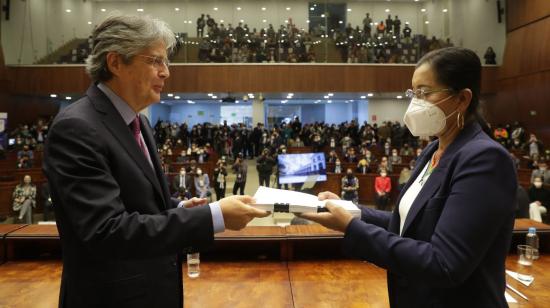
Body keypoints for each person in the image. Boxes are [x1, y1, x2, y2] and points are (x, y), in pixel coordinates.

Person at [43, 14, 268, 308]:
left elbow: (138, 202)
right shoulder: (76, 128)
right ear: (115, 63)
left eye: (166, 62)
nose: (166, 73)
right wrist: (213, 217)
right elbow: (106, 231)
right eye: (155, 61)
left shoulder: (139, 123)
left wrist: (178, 207)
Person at [300, 47, 517, 307]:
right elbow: (410, 224)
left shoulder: (484, 159)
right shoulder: (432, 151)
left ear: (462, 99)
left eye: (425, 92)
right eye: (414, 93)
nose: (416, 102)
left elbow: (444, 263)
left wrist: (351, 227)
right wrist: (352, 211)